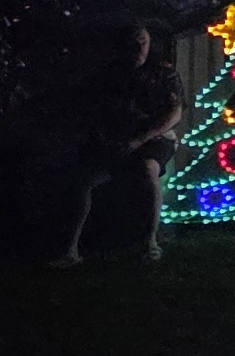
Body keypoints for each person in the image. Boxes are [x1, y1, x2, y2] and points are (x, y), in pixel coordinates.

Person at [46, 24, 184, 267]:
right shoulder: (109, 74)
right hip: (116, 139)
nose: (139, 47)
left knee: (147, 170)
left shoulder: (162, 72)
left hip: (152, 138)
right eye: (134, 42)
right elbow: (93, 111)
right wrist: (106, 139)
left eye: (143, 41)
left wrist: (140, 139)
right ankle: (71, 249)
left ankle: (150, 242)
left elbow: (174, 112)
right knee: (82, 181)